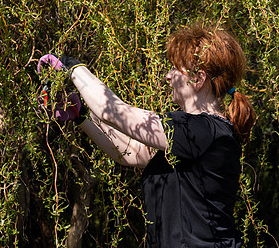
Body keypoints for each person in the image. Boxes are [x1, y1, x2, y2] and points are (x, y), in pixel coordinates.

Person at [37, 23, 256, 247]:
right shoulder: (196, 132)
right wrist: (81, 114)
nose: (168, 77)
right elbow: (133, 152)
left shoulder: (205, 130)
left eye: (175, 69)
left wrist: (74, 68)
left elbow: (115, 112)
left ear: (198, 80)